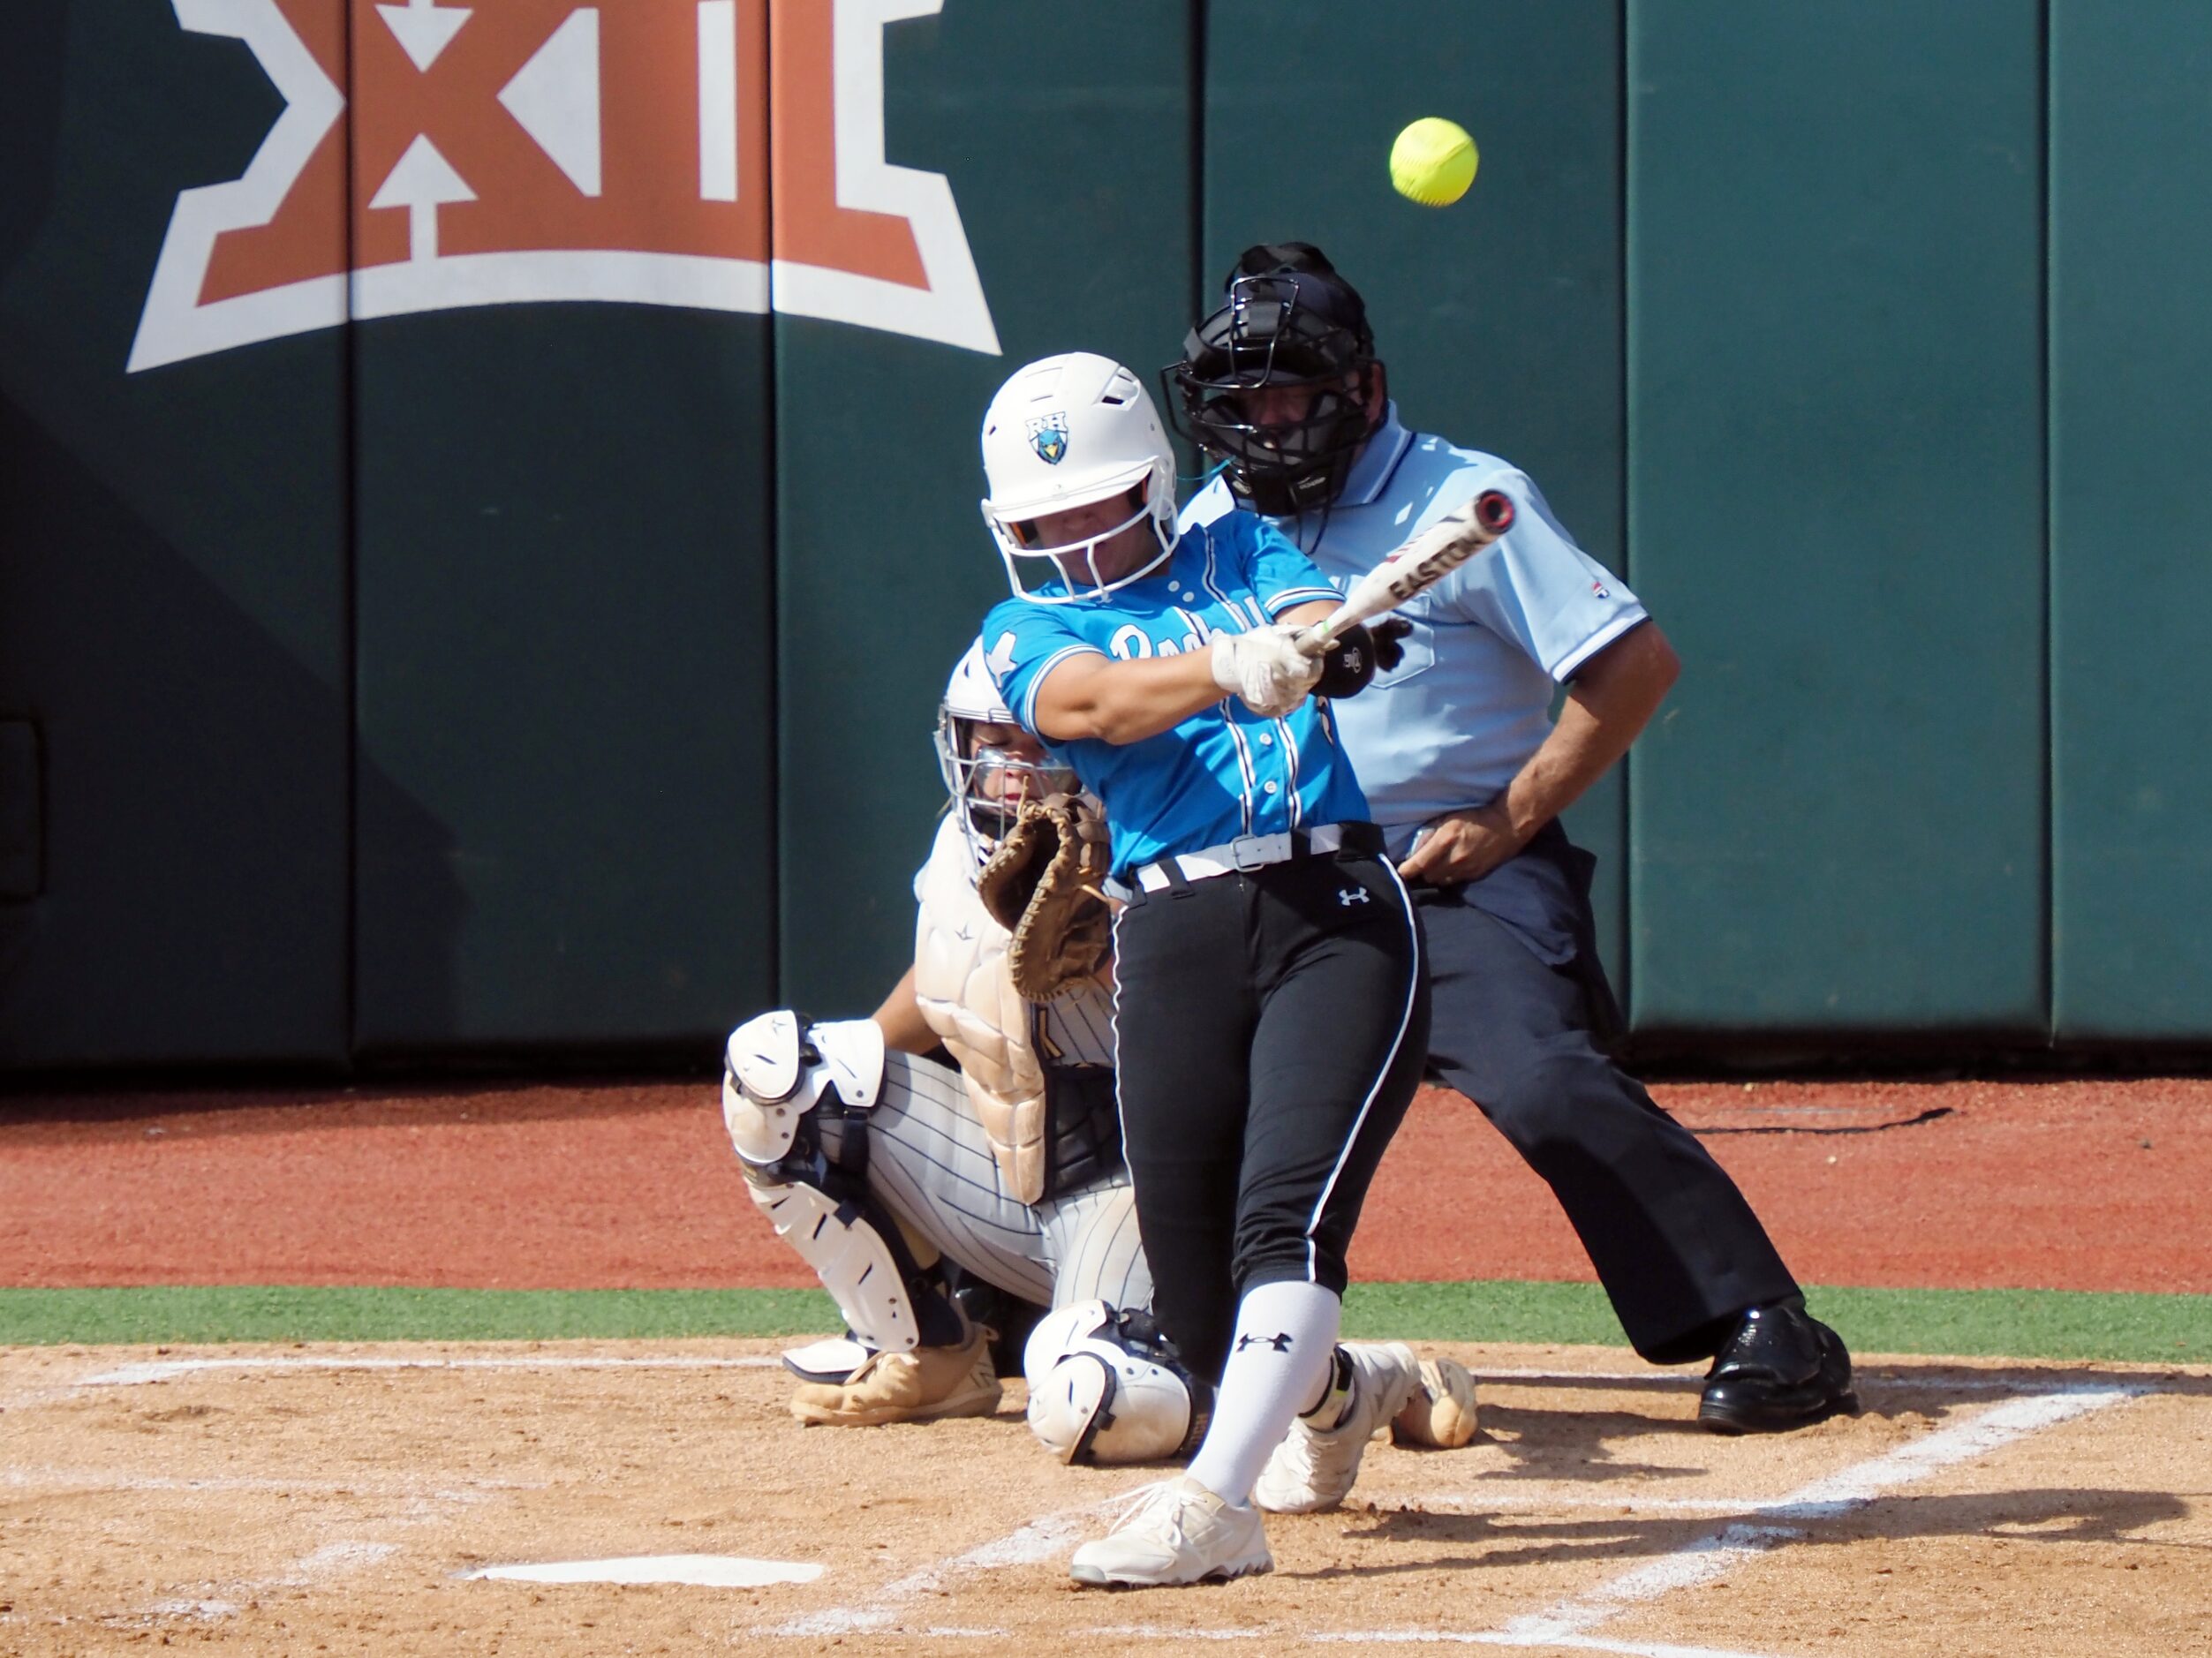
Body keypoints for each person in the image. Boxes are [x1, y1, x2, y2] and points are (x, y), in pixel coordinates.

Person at [1164, 242, 1859, 1442]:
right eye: (1243, 399)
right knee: (1180, 1077)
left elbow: (1632, 666)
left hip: (1451, 875)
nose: (1267, 420)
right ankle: (1099, 1311)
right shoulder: (1215, 520)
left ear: (1365, 386)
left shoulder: (1463, 500)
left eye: (1292, 389)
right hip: (1290, 874)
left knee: (1541, 1075)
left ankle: (1764, 1321)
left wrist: (1510, 817)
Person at [721, 639, 1475, 1472]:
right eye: (991, 742)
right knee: (784, 1073)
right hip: (1012, 1183)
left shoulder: (1165, 864)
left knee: (1105, 1408)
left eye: (1035, 744)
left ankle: (1361, 1376)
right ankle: (930, 1352)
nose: (1011, 768)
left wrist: (1115, 943)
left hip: (1138, 1206)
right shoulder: (953, 850)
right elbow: (945, 980)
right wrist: (839, 1120)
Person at [976, 350, 1464, 1588]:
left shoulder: (1239, 549)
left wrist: (1314, 647)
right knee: (1198, 1319)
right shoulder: (1025, 626)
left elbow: (1312, 621)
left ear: (1152, 483)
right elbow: (1093, 706)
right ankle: (1351, 1389)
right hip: (1172, 934)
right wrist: (1226, 670)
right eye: (1047, 521)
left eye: (1097, 502)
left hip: (1331, 907)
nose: (1076, 537)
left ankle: (1215, 1504)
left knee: (1283, 1223)